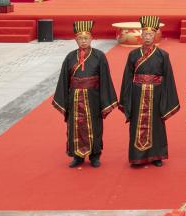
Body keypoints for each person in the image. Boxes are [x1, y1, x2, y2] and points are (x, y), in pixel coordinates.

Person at [51, 20, 117, 168]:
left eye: (86, 38)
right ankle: (77, 157)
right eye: (80, 38)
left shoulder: (99, 56)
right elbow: (64, 80)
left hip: (93, 98)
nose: (83, 41)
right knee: (75, 126)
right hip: (74, 98)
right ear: (75, 40)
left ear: (92, 38)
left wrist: (104, 101)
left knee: (95, 126)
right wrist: (65, 101)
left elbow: (105, 79)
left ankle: (95, 156)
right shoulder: (69, 57)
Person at [118, 17, 178, 167]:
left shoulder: (163, 55)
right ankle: (137, 157)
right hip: (137, 93)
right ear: (141, 35)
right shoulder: (133, 55)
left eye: (150, 35)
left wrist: (166, 99)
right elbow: (127, 77)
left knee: (156, 123)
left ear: (156, 35)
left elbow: (168, 78)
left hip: (156, 94)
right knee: (137, 122)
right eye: (145, 34)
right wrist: (127, 98)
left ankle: (156, 156)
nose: (147, 37)